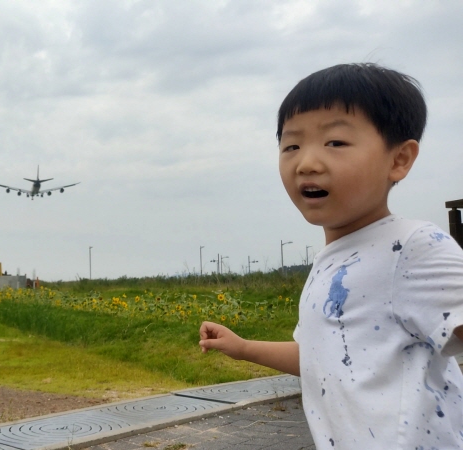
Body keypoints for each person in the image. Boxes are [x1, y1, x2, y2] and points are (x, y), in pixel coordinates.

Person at [198, 63, 463, 449]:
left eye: (335, 142)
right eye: (291, 146)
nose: (306, 162)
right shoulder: (332, 260)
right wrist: (243, 349)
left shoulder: (412, 247)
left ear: (399, 159)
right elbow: (321, 357)